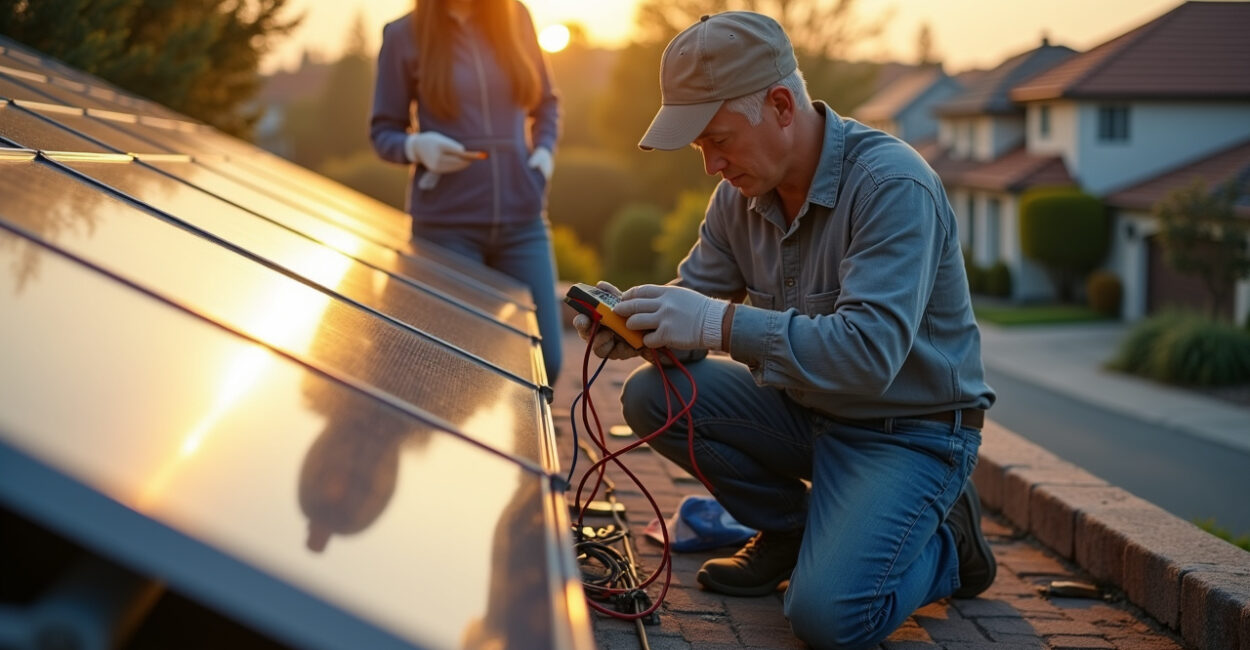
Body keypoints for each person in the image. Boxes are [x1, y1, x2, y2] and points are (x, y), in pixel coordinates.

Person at [573, 12, 997, 649]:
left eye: (718, 139)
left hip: (907, 433)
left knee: (828, 619)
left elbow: (867, 355)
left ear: (779, 105)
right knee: (651, 396)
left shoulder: (892, 185)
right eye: (699, 148)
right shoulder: (737, 197)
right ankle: (791, 529)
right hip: (805, 414)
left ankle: (947, 543)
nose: (711, 164)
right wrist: (642, 328)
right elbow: (694, 319)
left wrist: (713, 321)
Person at [371, 0, 563, 384]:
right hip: (446, 229)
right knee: (457, 371)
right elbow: (383, 132)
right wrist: (415, 146)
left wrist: (543, 154)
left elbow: (546, 103)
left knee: (547, 364)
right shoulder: (402, 35)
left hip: (523, 221)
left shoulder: (516, 16)